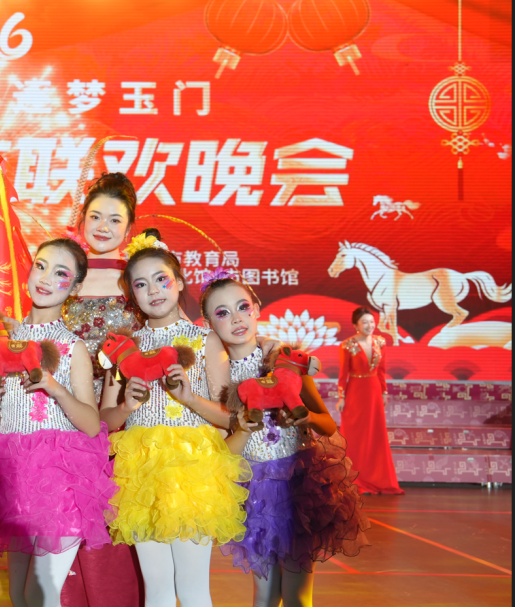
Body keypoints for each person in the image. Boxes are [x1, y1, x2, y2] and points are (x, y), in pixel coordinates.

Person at [99, 230, 248, 607]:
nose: (153, 290)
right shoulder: (123, 347)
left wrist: (189, 398)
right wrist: (126, 407)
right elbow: (105, 420)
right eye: (141, 284)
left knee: (193, 589)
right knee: (157, 590)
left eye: (161, 279)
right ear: (132, 295)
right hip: (140, 474)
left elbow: (230, 418)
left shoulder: (204, 340)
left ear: (179, 282)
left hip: (193, 473)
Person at [0, 238, 117, 607]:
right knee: (19, 595)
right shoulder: (3, 343)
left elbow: (91, 424)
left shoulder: (72, 348)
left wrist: (56, 389)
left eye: (61, 273)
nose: (47, 278)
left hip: (62, 480)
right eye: (41, 266)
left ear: (75, 287)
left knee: (41, 592)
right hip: (13, 476)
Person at [205, 273, 368, 607]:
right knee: (265, 595)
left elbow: (328, 425)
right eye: (222, 313)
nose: (236, 318)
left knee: (296, 595)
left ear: (256, 308)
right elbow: (224, 453)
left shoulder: (286, 362)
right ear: (209, 324)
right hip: (254, 495)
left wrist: (307, 418)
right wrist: (242, 429)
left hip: (299, 488)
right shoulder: (219, 381)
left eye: (242, 307)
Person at [60, 172, 143, 607]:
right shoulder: (64, 274)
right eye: (95, 216)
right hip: (65, 416)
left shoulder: (140, 280)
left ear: (130, 228)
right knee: (64, 525)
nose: (103, 227)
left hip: (123, 420)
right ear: (81, 220)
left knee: (113, 527)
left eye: (115, 220)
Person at [337, 306, 403, 495]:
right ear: (356, 325)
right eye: (364, 322)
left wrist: (384, 392)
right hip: (355, 392)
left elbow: (382, 370)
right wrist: (341, 397)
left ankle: (378, 478)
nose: (369, 325)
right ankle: (354, 477)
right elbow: (343, 374)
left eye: (372, 322)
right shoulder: (347, 345)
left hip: (374, 391)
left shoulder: (380, 342)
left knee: (375, 435)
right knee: (355, 436)